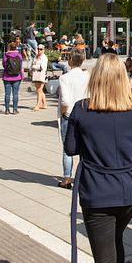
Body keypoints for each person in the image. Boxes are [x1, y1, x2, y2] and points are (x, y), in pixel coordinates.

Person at [64, 53, 132, 263]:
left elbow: (70, 148)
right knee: (116, 240)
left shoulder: (82, 109)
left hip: (97, 192)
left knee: (104, 260)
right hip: (130, 189)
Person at [58, 49, 89, 190]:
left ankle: (66, 178)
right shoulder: (87, 76)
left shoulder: (65, 78)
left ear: (70, 60)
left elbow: (65, 101)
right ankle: (85, 176)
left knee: (67, 148)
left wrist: (63, 113)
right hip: (85, 114)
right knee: (85, 147)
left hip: (69, 115)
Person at [2, 42, 24, 114]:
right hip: (17, 76)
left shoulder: (6, 55)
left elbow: (4, 65)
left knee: (7, 94)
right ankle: (15, 109)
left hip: (7, 76)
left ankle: (7, 109)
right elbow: (20, 65)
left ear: (9, 47)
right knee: (15, 93)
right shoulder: (19, 55)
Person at [31, 44, 49, 111]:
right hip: (36, 74)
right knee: (39, 90)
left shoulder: (44, 57)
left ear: (44, 50)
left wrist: (34, 67)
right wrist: (31, 69)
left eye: (41, 49)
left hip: (42, 74)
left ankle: (38, 105)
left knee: (39, 90)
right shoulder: (36, 56)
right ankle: (44, 104)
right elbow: (32, 64)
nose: (39, 50)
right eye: (38, 49)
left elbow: (42, 67)